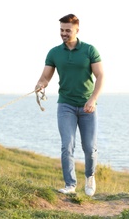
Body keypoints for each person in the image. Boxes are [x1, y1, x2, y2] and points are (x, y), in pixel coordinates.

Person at [35, 14, 105, 196]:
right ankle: (70, 185)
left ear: (77, 30)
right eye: (61, 30)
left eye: (67, 30)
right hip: (65, 105)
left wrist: (93, 99)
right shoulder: (54, 53)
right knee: (67, 145)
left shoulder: (89, 50)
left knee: (89, 148)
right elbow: (45, 77)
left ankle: (90, 177)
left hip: (88, 106)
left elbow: (101, 76)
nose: (64, 33)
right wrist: (40, 85)